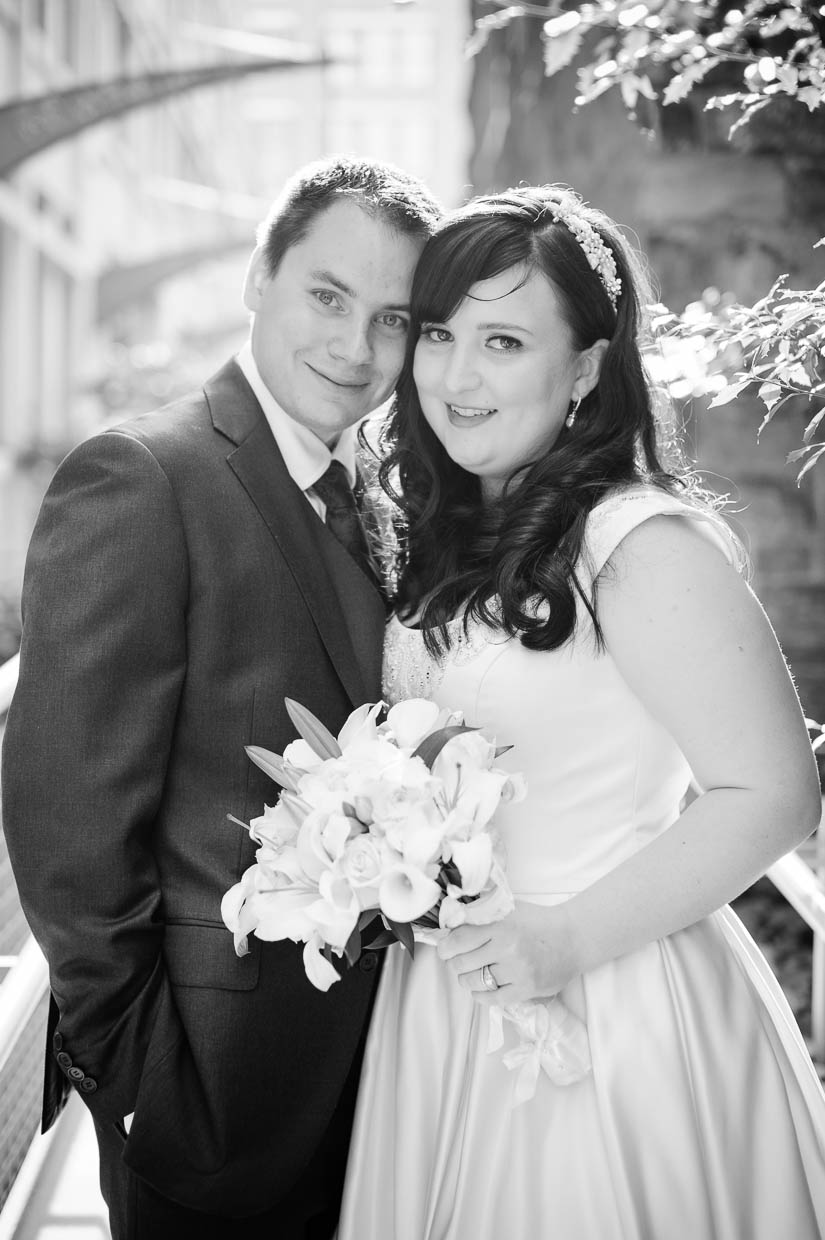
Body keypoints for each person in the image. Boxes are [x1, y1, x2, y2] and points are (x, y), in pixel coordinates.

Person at [337, 185, 825, 1238]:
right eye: (437, 334)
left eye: (503, 340)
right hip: (439, 1010)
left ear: (590, 369)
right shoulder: (442, 533)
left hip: (608, 1000)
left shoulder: (641, 545)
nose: (455, 376)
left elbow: (775, 792)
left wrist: (563, 941)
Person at [1, 154, 440, 1240]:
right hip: (210, 1103)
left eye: (391, 319)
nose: (354, 346)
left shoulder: (372, 492)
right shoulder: (143, 477)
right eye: (327, 297)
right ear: (259, 276)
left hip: (382, 1086)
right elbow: (67, 832)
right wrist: (146, 1089)